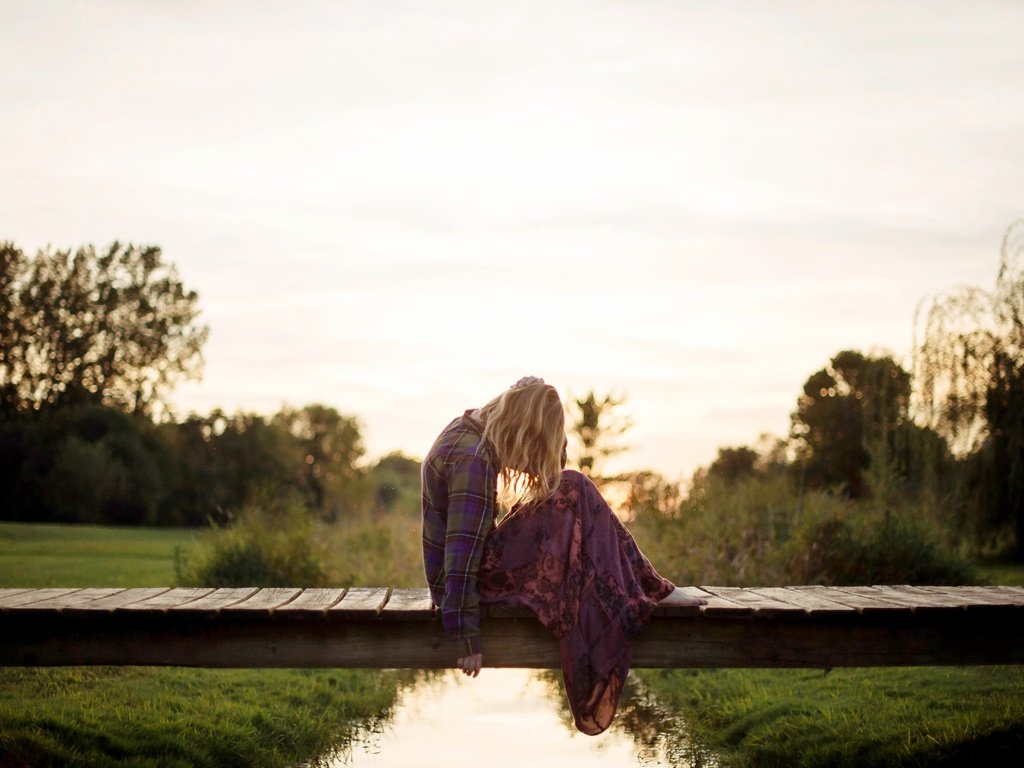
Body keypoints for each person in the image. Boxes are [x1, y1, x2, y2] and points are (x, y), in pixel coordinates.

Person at [421, 376, 706, 735]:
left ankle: (644, 585)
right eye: (534, 440)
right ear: (521, 428)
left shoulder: (469, 428)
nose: (528, 458)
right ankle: (648, 587)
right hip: (472, 582)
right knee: (575, 486)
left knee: (572, 486)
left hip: (475, 572)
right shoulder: (473, 459)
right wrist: (465, 635)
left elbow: (552, 466)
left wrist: (544, 420)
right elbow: (461, 554)